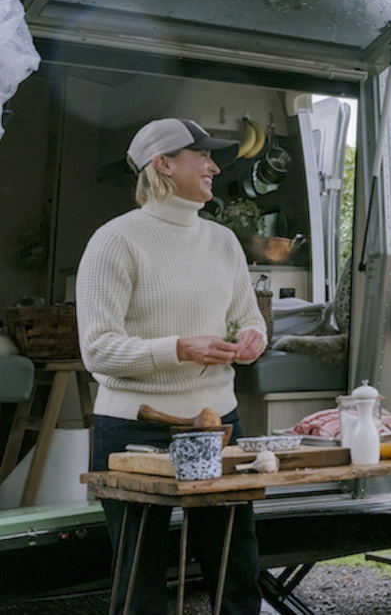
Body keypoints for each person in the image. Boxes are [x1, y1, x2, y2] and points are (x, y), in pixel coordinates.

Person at [77, 117, 267, 615]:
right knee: (139, 578)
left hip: (217, 425)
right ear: (163, 164)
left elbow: (249, 319)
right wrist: (179, 349)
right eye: (201, 155)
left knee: (236, 567)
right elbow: (96, 350)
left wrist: (254, 339)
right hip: (134, 429)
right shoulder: (114, 241)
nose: (214, 166)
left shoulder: (223, 241)